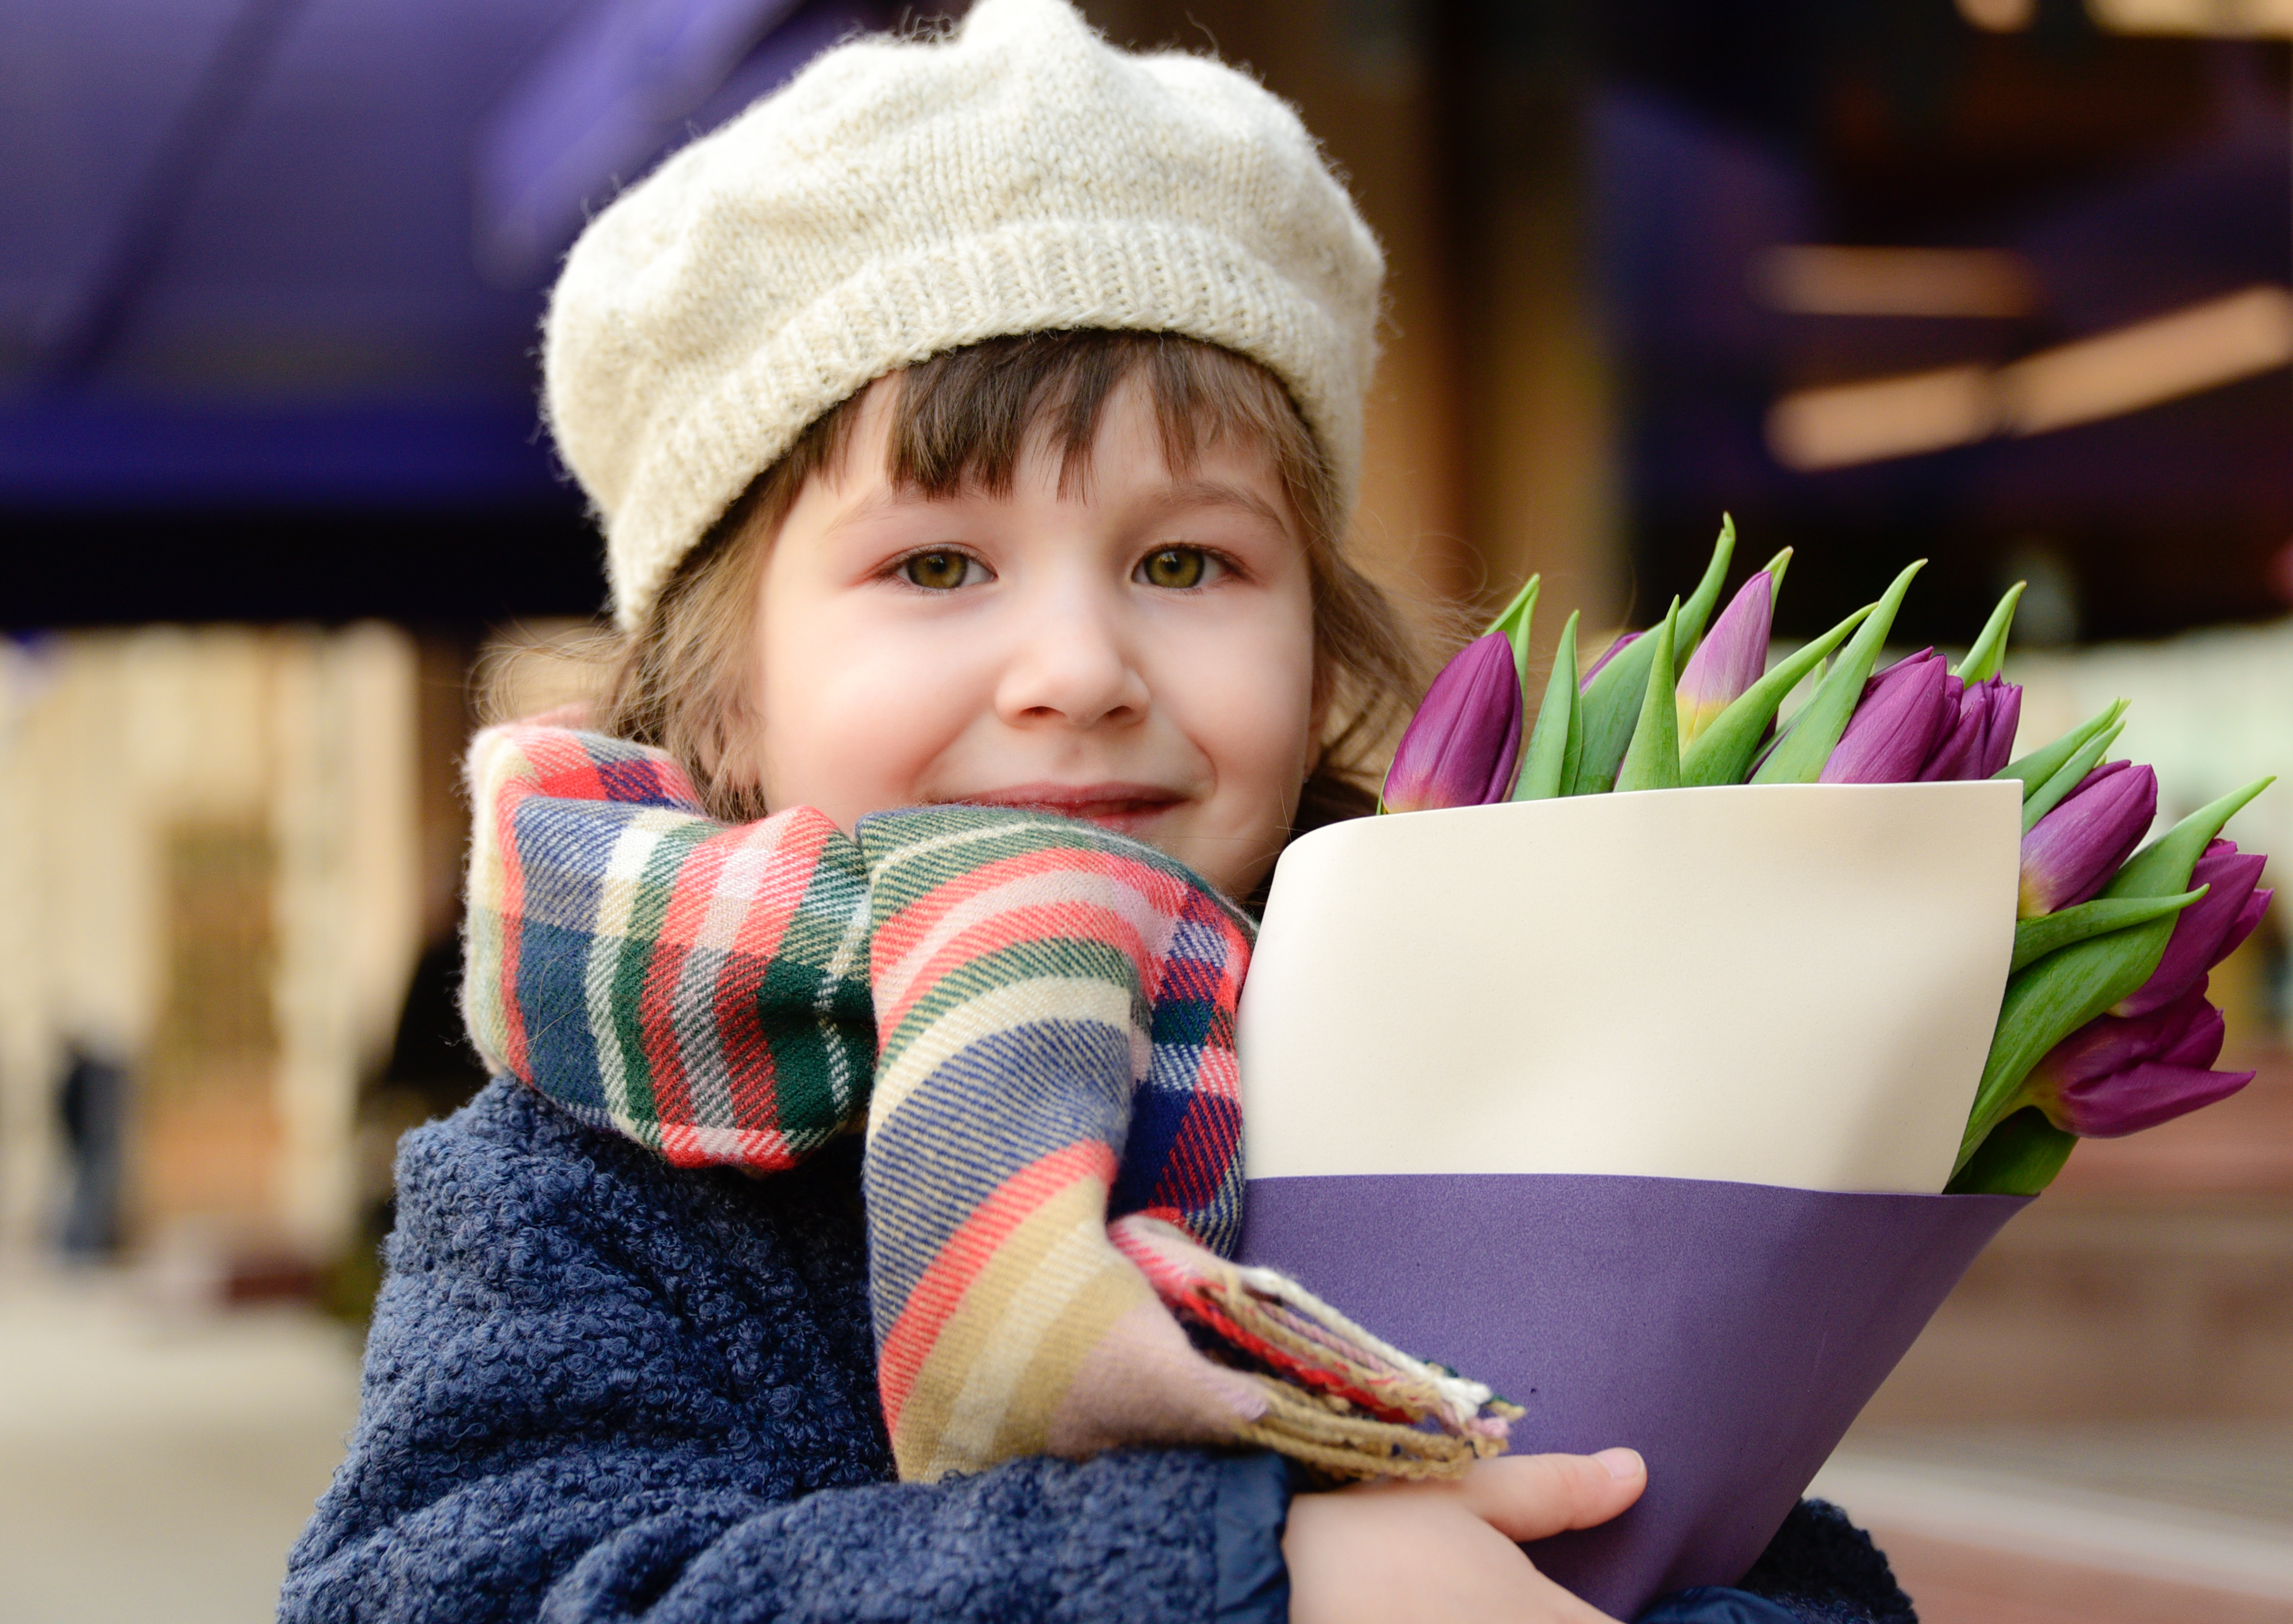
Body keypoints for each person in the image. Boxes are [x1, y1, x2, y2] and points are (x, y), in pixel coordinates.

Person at [281, 4, 1915, 1620]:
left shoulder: (1440, 1071)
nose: (1077, 667)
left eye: (1184, 562)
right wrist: (1243, 1573)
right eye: (936, 565)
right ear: (725, 695)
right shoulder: (596, 1165)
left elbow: (1740, 1534)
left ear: (1315, 636)